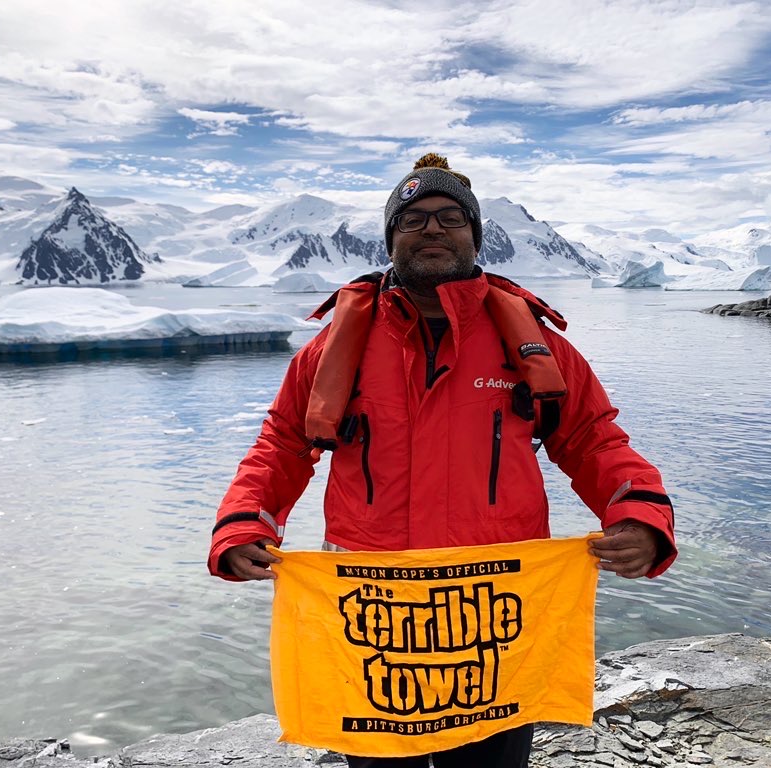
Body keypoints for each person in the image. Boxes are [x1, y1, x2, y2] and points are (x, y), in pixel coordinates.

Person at [208, 153, 677, 768]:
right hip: (375, 614)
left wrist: (640, 512)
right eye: (413, 219)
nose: (432, 229)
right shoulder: (333, 351)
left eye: (451, 217)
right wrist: (245, 521)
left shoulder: (533, 346)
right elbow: (282, 445)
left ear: (476, 237)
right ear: (391, 239)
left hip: (493, 613)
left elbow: (592, 439)